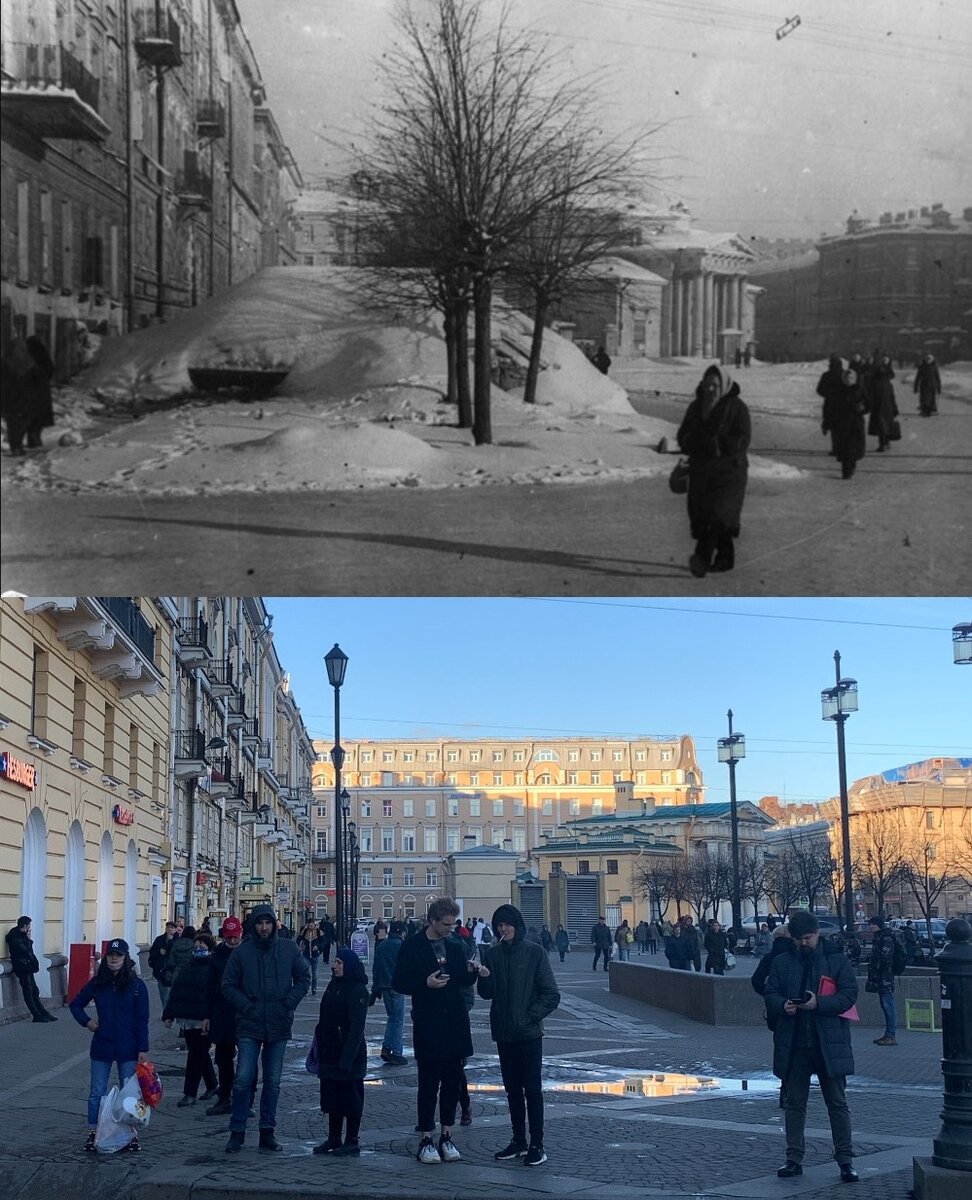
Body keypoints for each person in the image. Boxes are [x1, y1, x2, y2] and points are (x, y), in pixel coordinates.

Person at [763, 911, 859, 1183]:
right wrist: (783, 1005)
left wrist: (819, 1004)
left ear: (817, 934)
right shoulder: (781, 962)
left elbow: (849, 995)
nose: (803, 943)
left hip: (828, 1042)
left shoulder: (836, 959)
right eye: (798, 939)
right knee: (794, 1104)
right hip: (795, 1043)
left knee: (837, 1103)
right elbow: (770, 993)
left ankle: (846, 1160)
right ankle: (793, 1158)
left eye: (808, 938)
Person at [392, 898, 489, 1165]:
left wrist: (473, 972)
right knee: (428, 1083)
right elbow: (399, 981)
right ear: (432, 921)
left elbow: (461, 979)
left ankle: (447, 1134)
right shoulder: (413, 945)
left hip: (455, 1020)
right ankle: (426, 1138)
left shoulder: (456, 943)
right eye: (446, 924)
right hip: (428, 1021)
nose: (450, 928)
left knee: (452, 1082)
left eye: (452, 924)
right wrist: (425, 983)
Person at [220, 904, 310, 1153]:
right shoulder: (242, 952)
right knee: (243, 1079)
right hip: (250, 1023)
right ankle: (237, 1131)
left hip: (279, 1023)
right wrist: (246, 1006)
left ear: (274, 924)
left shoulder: (288, 948)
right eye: (259, 923)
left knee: (273, 1081)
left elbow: (304, 977)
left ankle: (267, 1131)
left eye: (268, 923)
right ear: (254, 925)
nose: (264, 928)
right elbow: (228, 984)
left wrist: (289, 1002)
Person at [478, 903, 560, 1167]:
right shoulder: (493, 954)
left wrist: (530, 1016)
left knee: (532, 1090)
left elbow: (551, 994)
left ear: (517, 926)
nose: (504, 929)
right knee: (512, 1090)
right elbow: (486, 994)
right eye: (499, 925)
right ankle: (518, 1141)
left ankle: (537, 1144)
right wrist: (483, 975)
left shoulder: (535, 953)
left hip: (528, 1034)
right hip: (504, 1033)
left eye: (507, 924)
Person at [69, 937, 150, 1152]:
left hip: (129, 1047)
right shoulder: (98, 983)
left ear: (125, 958)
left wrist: (143, 1049)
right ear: (106, 958)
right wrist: (87, 1022)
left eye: (119, 955)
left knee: (130, 1094)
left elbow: (142, 1020)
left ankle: (132, 1134)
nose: (114, 959)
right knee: (97, 1091)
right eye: (111, 955)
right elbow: (75, 1004)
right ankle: (93, 1132)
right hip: (103, 1045)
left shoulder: (137, 986)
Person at [676, 363, 751, 577]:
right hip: (702, 472)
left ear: (724, 386)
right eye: (707, 384)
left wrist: (717, 445)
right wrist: (692, 442)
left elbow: (743, 438)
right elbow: (683, 434)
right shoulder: (695, 407)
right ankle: (725, 558)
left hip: (730, 474)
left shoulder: (737, 407)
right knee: (709, 517)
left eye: (715, 385)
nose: (710, 390)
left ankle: (701, 558)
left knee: (717, 515)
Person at [312, 948, 370, 1156]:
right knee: (332, 1097)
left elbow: (356, 1028)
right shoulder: (334, 984)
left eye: (339, 962)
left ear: (349, 965)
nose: (334, 966)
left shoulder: (357, 990)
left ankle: (352, 1140)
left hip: (349, 1055)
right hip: (329, 1051)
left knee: (350, 1098)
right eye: (335, 962)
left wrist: (347, 1058)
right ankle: (333, 1137)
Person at [162, 932, 219, 1107]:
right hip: (187, 1020)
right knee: (199, 1054)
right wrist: (168, 1014)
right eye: (196, 946)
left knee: (195, 1056)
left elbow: (216, 996)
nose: (199, 949)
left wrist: (210, 1017)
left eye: (203, 947)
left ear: (210, 949)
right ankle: (213, 1085)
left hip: (203, 1021)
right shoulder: (188, 966)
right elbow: (177, 992)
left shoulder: (214, 969)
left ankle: (190, 1093)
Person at [205, 917, 244, 1116]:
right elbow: (210, 986)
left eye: (235, 937)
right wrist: (207, 1015)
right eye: (229, 937)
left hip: (244, 1012)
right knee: (223, 1058)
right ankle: (225, 1096)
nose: (233, 941)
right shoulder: (217, 955)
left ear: (241, 933)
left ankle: (247, 1099)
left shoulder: (248, 953)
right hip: (221, 1013)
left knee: (247, 1058)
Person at [370, 918, 408, 1065]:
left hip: (384, 986)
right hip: (397, 987)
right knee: (398, 1020)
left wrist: (375, 990)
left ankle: (386, 1047)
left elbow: (376, 970)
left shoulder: (381, 946)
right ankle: (396, 1052)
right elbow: (407, 968)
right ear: (402, 932)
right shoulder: (402, 946)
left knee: (391, 1017)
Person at [5, 915, 54, 1022]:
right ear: (25, 925)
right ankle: (36, 1015)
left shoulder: (21, 935)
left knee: (34, 990)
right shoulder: (15, 936)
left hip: (27, 966)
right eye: (29, 925)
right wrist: (29, 940)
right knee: (28, 991)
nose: (29, 928)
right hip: (22, 967)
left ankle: (43, 1012)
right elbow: (26, 951)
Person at [1, 338, 43, 456]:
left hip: (10, 399)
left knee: (12, 424)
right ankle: (18, 445)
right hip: (26, 400)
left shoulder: (5, 362)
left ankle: (16, 446)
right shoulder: (30, 362)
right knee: (22, 423)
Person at [866, 916, 900, 1046]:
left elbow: (886, 957)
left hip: (884, 977)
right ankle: (889, 1034)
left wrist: (877, 968)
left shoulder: (885, 937)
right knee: (886, 1004)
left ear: (879, 925)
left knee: (888, 1004)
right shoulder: (881, 936)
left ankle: (891, 1035)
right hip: (883, 977)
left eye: (873, 924)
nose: (871, 926)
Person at [867, 354, 898, 451]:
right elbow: (892, 397)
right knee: (885, 425)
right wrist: (894, 408)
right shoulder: (887, 384)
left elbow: (870, 395)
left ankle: (883, 444)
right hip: (886, 407)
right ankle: (885, 444)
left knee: (881, 426)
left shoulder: (875, 383)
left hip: (879, 407)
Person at [817, 355, 846, 458]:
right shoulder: (844, 374)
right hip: (843, 405)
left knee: (833, 428)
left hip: (830, 404)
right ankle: (842, 448)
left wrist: (829, 394)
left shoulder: (826, 375)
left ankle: (835, 448)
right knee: (842, 427)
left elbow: (819, 390)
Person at [148, 920, 179, 1011]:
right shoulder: (159, 939)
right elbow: (152, 952)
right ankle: (165, 1009)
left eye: (172, 928)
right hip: (160, 970)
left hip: (173, 971)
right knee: (162, 991)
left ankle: (170, 1010)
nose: (170, 929)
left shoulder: (177, 941)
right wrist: (159, 952)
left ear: (175, 930)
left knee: (171, 992)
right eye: (168, 927)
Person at [164, 924, 196, 991]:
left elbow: (171, 962)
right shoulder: (194, 945)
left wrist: (168, 977)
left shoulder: (176, 944)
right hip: (190, 974)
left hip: (177, 974)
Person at [297, 922, 325, 996]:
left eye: (312, 925)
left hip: (315, 956)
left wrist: (317, 947)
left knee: (314, 974)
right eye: (309, 925)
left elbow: (323, 942)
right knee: (306, 973)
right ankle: (306, 989)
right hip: (306, 955)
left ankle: (314, 989)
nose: (310, 927)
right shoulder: (305, 932)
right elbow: (298, 939)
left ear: (314, 926)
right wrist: (301, 947)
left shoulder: (318, 932)